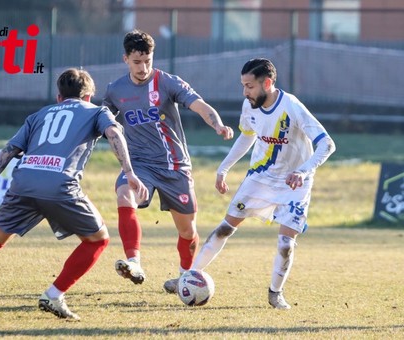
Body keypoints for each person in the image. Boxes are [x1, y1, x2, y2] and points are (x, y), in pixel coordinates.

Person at [0, 68, 148, 320]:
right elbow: (114, 133)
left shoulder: (39, 114)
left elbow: (10, 148)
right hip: (59, 184)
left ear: (59, 97)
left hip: (23, 181)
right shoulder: (97, 111)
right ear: (89, 96)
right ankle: (54, 294)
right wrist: (130, 171)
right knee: (98, 240)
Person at [190, 58, 336, 309]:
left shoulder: (292, 107)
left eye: (249, 86)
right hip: (261, 176)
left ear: (267, 83)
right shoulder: (249, 105)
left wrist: (302, 172)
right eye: (243, 86)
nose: (245, 92)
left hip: (294, 183)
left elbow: (327, 144)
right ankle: (190, 276)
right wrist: (223, 169)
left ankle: (275, 293)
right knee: (226, 227)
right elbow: (247, 137)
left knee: (286, 243)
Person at [102, 29, 234, 292]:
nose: (143, 68)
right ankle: (133, 262)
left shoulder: (167, 82)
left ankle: (184, 276)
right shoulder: (115, 90)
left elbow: (200, 105)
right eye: (137, 62)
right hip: (139, 164)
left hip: (175, 166)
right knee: (124, 194)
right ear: (125, 58)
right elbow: (104, 122)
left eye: (147, 61)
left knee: (188, 232)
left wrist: (218, 124)